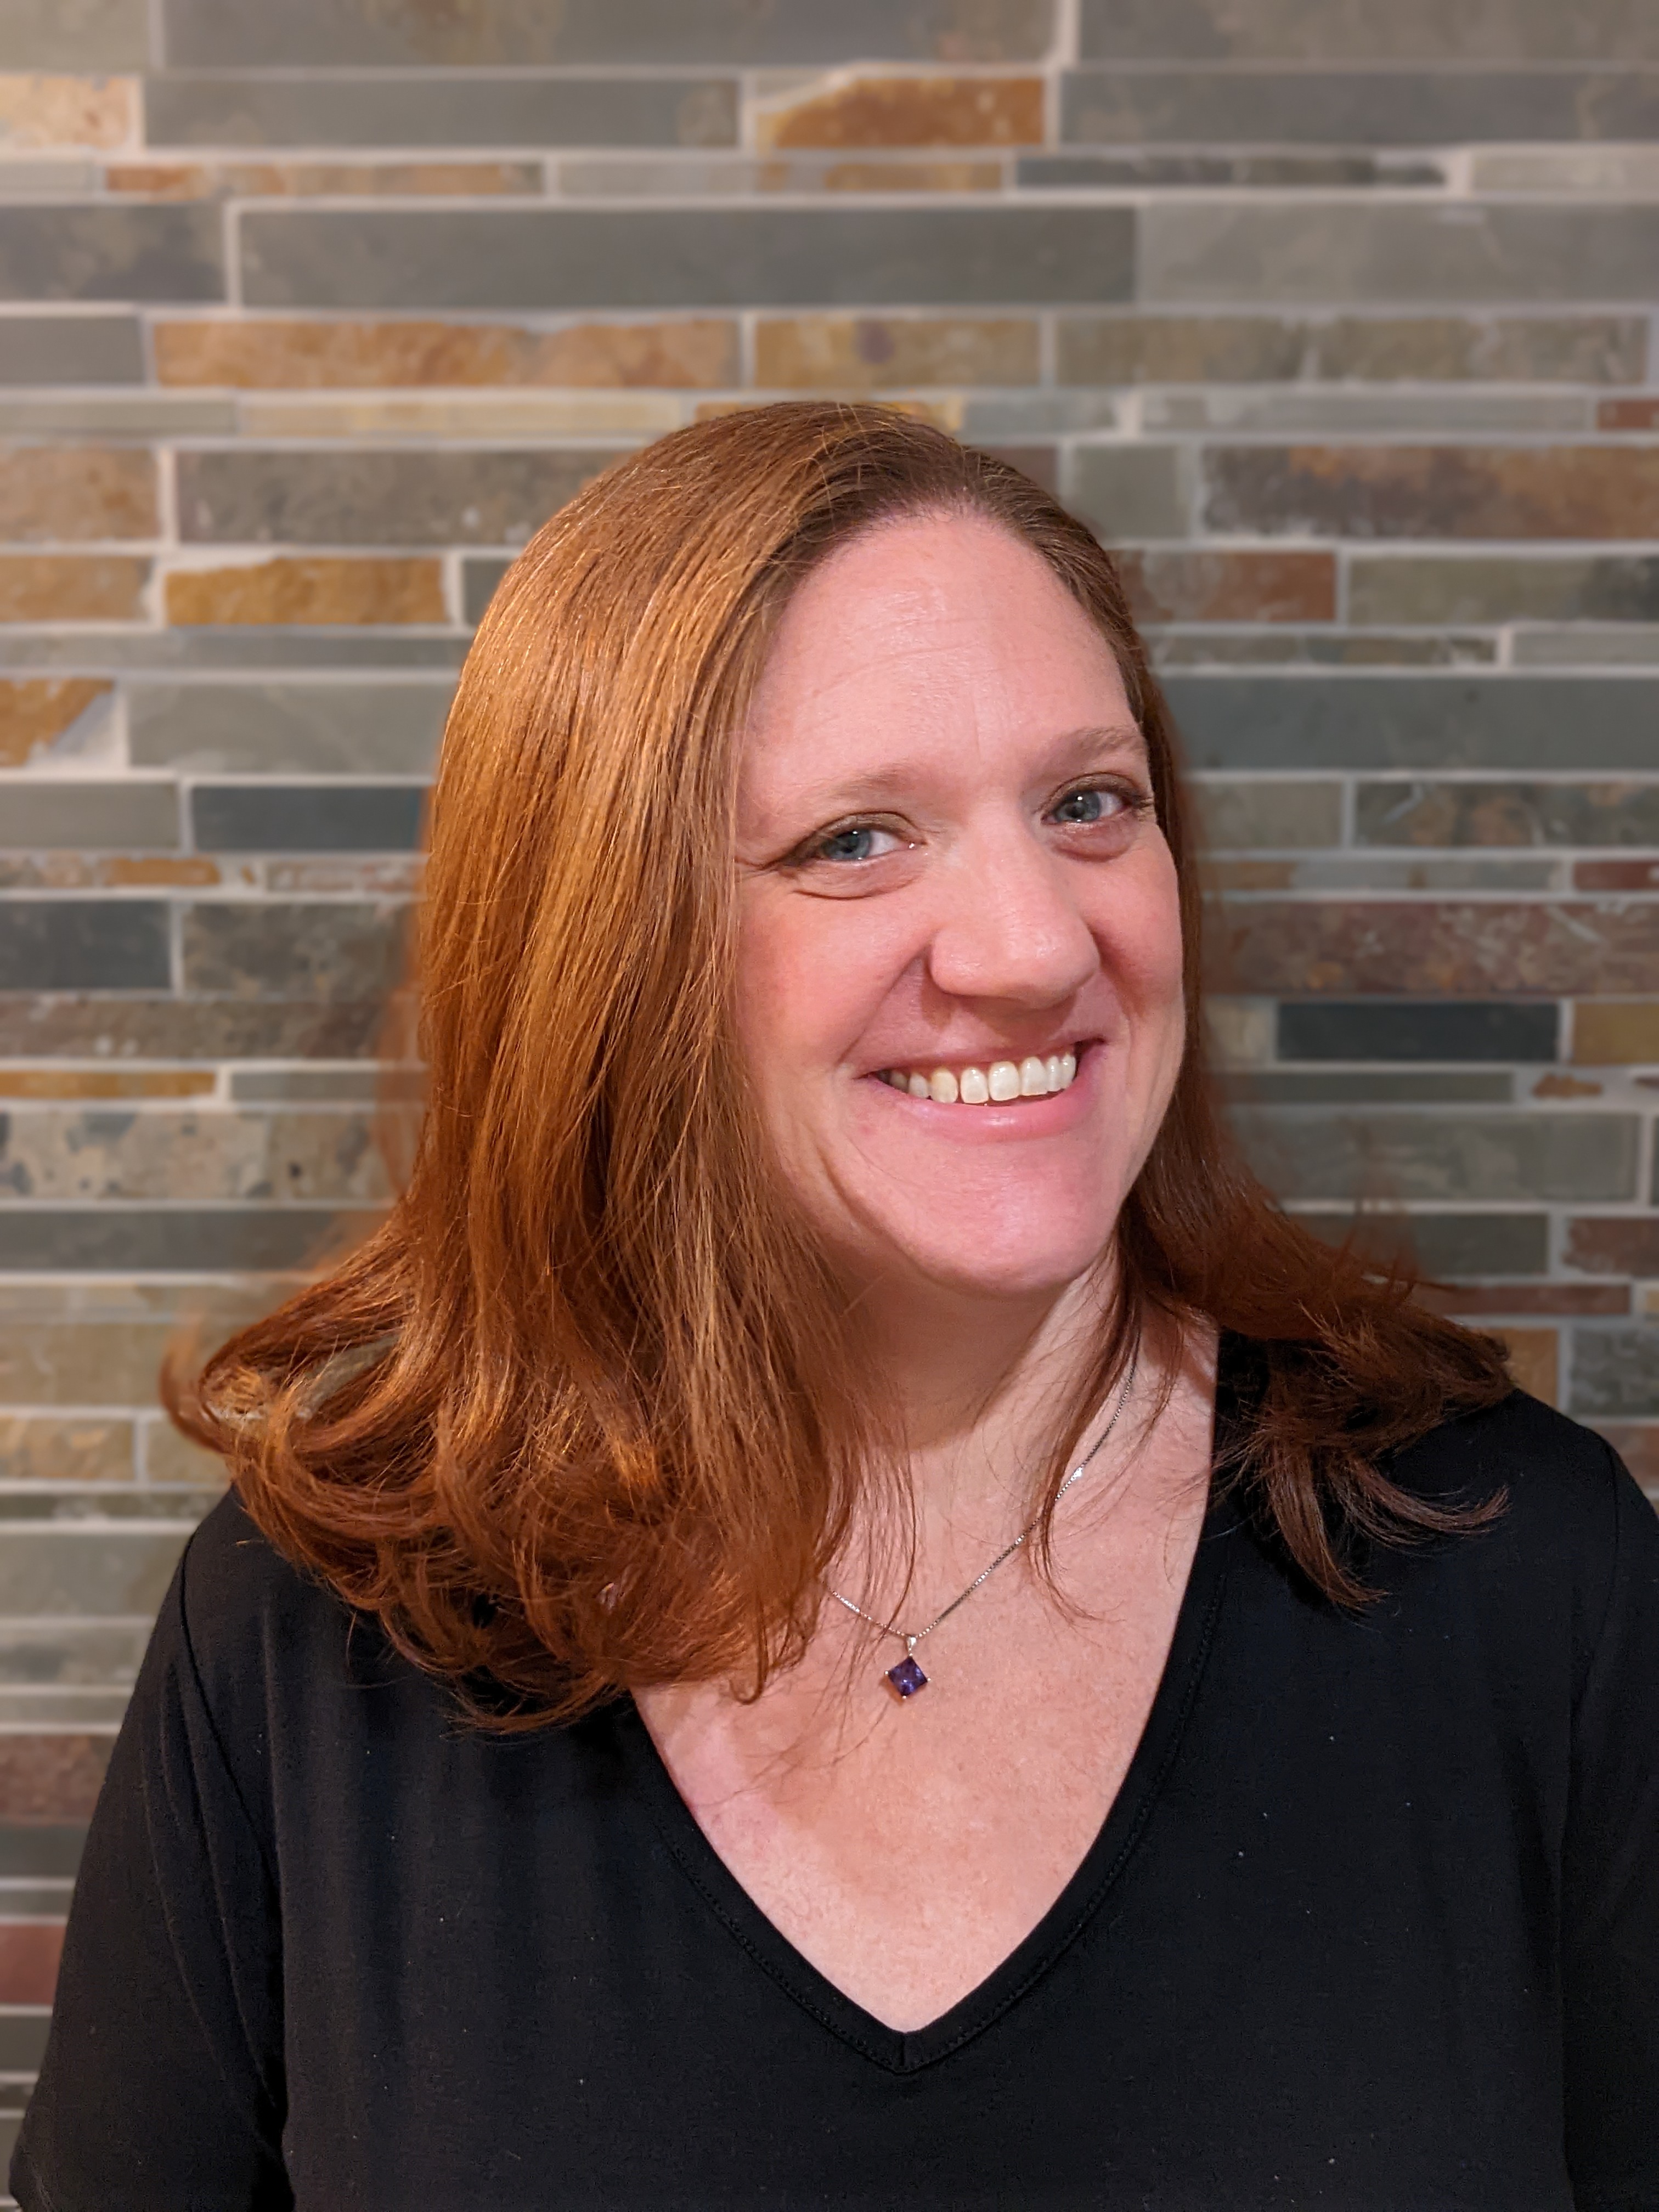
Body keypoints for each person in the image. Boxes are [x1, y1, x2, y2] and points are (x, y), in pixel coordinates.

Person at [14, 404, 1656, 2211]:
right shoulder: (313, 1646)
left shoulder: (1525, 1577)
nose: (1033, 944)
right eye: (859, 840)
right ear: (609, 954)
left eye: (1087, 804)